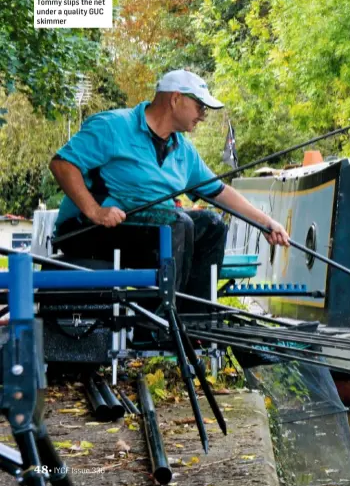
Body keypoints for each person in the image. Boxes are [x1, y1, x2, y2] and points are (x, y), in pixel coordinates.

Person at [50, 69, 289, 308]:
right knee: (177, 223)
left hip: (149, 233)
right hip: (87, 229)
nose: (203, 116)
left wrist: (266, 223)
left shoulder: (183, 150)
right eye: (200, 107)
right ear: (175, 99)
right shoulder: (113, 126)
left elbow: (220, 192)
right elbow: (62, 164)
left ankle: (196, 324)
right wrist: (95, 211)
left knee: (211, 225)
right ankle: (162, 323)